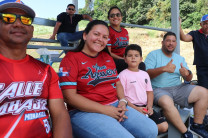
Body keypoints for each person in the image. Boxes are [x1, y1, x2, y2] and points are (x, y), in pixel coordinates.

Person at [59, 20, 158, 138]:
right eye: (96, 34)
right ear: (85, 35)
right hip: (83, 111)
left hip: (115, 105)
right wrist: (105, 110)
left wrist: (122, 101)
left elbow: (117, 83)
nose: (100, 39)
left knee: (151, 130)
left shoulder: (106, 57)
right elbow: (69, 97)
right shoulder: (71, 59)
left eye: (105, 37)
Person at [0, 1, 72, 138]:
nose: (18, 24)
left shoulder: (46, 71)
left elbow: (60, 114)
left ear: (32, 30)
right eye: (8, 18)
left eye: (25, 20)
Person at [144, 32, 208, 138]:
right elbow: (146, 75)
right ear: (162, 42)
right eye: (168, 40)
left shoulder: (179, 58)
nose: (171, 43)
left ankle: (197, 126)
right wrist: (163, 69)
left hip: (178, 88)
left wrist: (187, 74)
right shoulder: (153, 54)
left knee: (204, 93)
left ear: (176, 44)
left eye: (173, 41)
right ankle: (185, 133)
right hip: (159, 89)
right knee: (166, 101)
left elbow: (189, 78)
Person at [119, 44, 168, 134]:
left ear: (141, 59)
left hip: (146, 107)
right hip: (131, 107)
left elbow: (149, 92)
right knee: (144, 128)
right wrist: (136, 109)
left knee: (164, 126)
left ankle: (144, 131)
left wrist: (149, 106)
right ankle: (143, 131)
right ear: (125, 59)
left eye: (136, 56)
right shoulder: (122, 75)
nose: (133, 58)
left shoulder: (144, 74)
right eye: (130, 56)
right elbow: (121, 97)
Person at [107, 6, 145, 73]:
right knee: (137, 65)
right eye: (112, 15)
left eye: (118, 15)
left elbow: (127, 48)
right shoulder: (107, 31)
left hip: (125, 58)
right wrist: (124, 59)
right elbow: (108, 52)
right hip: (115, 60)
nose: (115, 17)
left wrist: (131, 57)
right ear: (109, 18)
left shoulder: (125, 31)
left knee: (141, 64)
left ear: (121, 17)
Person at [180, 15, 208, 89]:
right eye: (205, 23)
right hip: (202, 68)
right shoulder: (195, 34)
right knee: (204, 90)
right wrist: (179, 26)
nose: (207, 25)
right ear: (200, 24)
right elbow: (184, 38)